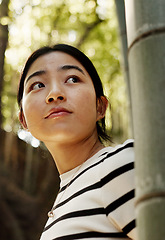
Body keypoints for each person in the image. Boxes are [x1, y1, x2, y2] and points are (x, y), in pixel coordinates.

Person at [17, 44, 136, 239]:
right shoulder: (64, 200)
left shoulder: (119, 166)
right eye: (38, 85)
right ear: (24, 120)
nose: (55, 94)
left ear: (100, 107)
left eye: (72, 79)